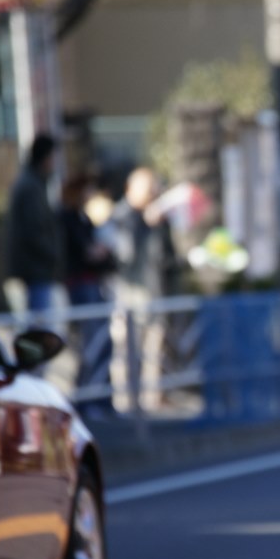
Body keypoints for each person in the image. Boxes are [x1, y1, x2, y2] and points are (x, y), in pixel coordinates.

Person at [109, 167, 179, 409]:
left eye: (154, 190)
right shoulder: (122, 215)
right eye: (147, 189)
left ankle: (153, 397)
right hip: (130, 289)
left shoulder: (158, 218)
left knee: (155, 348)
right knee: (127, 348)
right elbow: (123, 254)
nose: (152, 194)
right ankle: (126, 400)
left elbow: (166, 256)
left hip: (155, 289)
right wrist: (143, 224)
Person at [58, 172, 116, 417]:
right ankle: (87, 400)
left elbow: (99, 252)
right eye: (87, 189)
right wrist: (96, 252)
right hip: (80, 284)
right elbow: (85, 252)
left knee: (103, 342)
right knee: (90, 343)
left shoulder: (84, 219)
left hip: (94, 283)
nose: (91, 195)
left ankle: (102, 399)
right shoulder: (67, 218)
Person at [5, 132, 61, 313]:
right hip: (35, 269)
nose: (55, 163)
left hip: (36, 268)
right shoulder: (30, 186)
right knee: (38, 325)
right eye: (53, 157)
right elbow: (34, 230)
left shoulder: (33, 183)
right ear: (45, 158)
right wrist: (53, 254)